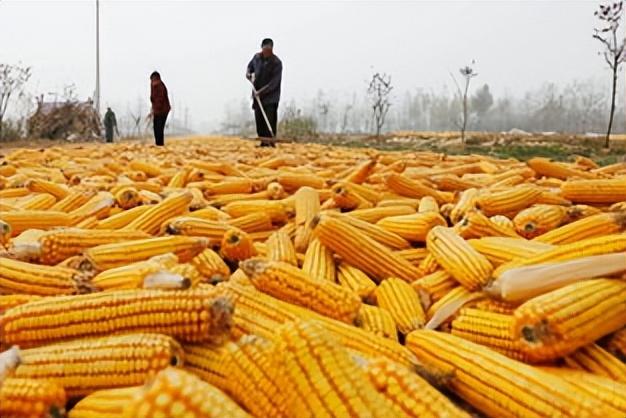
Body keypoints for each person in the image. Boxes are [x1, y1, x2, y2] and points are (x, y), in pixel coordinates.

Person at [246, 38, 282, 147]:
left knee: (269, 119)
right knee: (259, 120)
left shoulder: (276, 63)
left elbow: (274, 83)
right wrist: (248, 73)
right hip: (258, 96)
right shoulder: (256, 58)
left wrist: (262, 92)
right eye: (265, 49)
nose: (267, 52)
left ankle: (270, 142)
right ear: (262, 48)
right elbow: (250, 67)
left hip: (271, 97)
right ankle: (263, 142)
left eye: (269, 50)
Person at [149, 71, 171, 146]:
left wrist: (154, 111)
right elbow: (153, 99)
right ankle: (158, 144)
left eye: (153, 79)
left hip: (163, 110)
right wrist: (152, 109)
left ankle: (159, 144)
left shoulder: (160, 86)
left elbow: (160, 100)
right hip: (157, 109)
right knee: (156, 127)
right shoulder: (153, 86)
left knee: (159, 127)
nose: (152, 82)